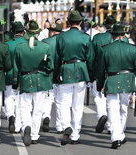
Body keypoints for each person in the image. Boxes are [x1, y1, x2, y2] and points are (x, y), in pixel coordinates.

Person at [95, 23, 136, 149]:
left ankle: (117, 136)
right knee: (123, 108)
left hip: (111, 80)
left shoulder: (105, 49)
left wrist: (99, 84)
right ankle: (119, 134)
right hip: (127, 80)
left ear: (112, 35)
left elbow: (100, 70)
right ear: (123, 35)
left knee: (112, 109)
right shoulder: (132, 48)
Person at [55, 10, 94, 145]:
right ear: (80, 22)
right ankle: (75, 135)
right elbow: (90, 58)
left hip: (65, 70)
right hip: (81, 71)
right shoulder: (85, 37)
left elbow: (56, 58)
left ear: (68, 22)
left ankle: (66, 126)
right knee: (78, 106)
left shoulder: (61, 37)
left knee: (63, 103)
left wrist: (55, 76)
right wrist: (90, 76)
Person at [12, 20, 53, 146]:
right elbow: (50, 66)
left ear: (27, 33)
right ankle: (34, 134)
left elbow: (16, 67)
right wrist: (44, 73)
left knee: (24, 107)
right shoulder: (46, 47)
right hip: (41, 79)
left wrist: (15, 82)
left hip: (25, 79)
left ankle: (27, 126)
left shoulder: (20, 48)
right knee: (38, 109)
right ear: (38, 33)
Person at [91, 15, 116, 134]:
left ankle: (102, 115)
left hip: (99, 70)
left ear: (105, 25)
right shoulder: (122, 38)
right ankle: (111, 125)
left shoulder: (97, 38)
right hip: (116, 71)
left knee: (98, 96)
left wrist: (91, 73)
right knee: (113, 99)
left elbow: (91, 57)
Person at [4, 21, 27, 134]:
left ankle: (10, 116)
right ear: (23, 32)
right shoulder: (27, 43)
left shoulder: (7, 44)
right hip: (23, 74)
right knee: (20, 101)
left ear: (13, 32)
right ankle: (17, 125)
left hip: (9, 73)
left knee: (9, 97)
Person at [42, 22, 63, 133]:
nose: (49, 32)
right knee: (60, 101)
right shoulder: (64, 43)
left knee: (47, 99)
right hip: (61, 75)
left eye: (50, 31)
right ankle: (59, 126)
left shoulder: (45, 42)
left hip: (48, 75)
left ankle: (46, 116)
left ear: (54, 32)